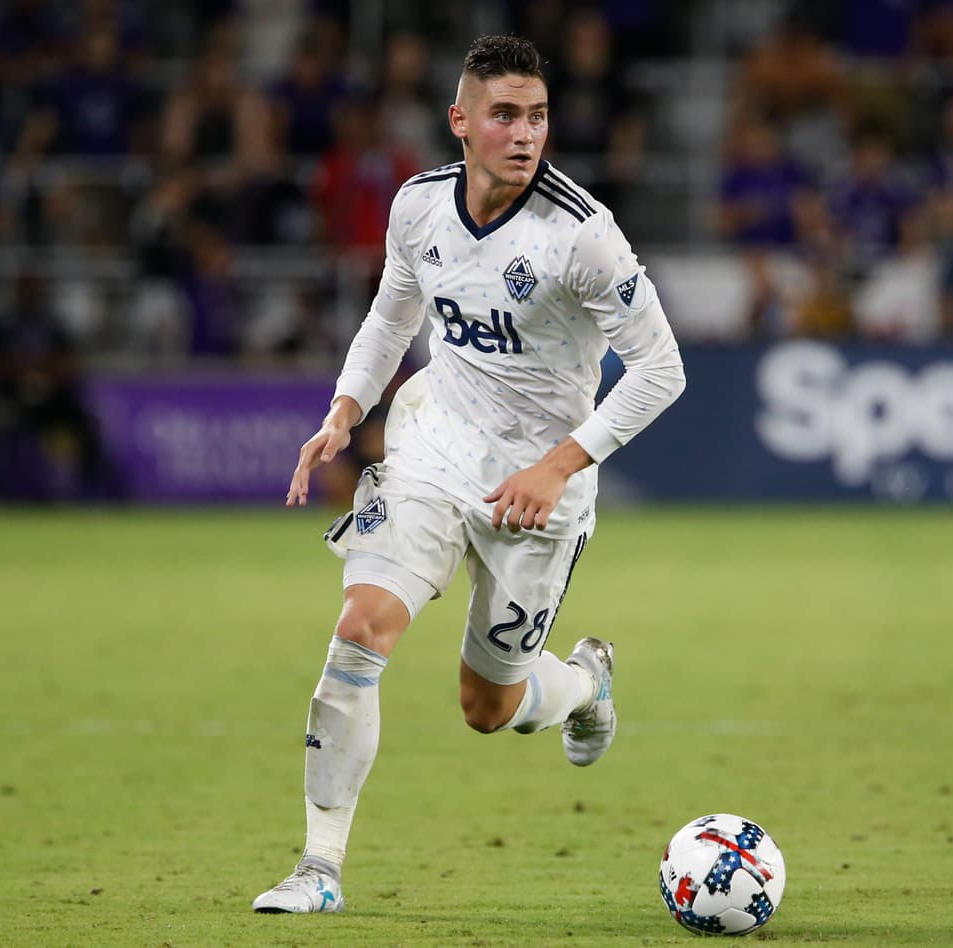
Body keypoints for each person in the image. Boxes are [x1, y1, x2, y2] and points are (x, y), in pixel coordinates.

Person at [251, 34, 686, 915]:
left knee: (488, 706)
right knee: (361, 629)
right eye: (504, 116)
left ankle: (585, 684)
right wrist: (345, 409)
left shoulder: (583, 235)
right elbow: (392, 314)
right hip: (433, 446)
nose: (524, 134)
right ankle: (318, 868)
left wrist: (557, 466)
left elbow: (663, 369)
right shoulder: (418, 206)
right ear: (461, 121)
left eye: (538, 117)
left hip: (541, 485)